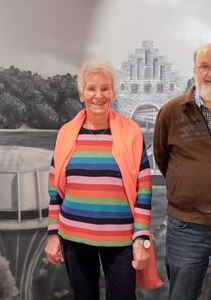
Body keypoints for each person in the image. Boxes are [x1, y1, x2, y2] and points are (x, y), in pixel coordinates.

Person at [45, 61, 162, 299]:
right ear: (81, 94)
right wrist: (53, 234)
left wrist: (141, 237)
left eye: (105, 89)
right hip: (74, 238)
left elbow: (144, 188)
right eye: (91, 89)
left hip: (120, 242)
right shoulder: (66, 133)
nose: (98, 95)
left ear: (113, 93)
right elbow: (54, 191)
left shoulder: (131, 132)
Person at [153, 43, 211, 300]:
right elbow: (163, 158)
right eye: (205, 66)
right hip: (186, 227)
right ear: (195, 70)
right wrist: (184, 186)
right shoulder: (171, 112)